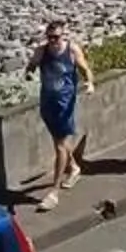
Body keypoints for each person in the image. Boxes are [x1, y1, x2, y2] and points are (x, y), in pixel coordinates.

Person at [26, 17, 92, 207]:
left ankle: (53, 193)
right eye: (50, 37)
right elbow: (31, 65)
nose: (53, 41)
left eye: (56, 37)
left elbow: (85, 69)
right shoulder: (42, 51)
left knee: (60, 146)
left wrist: (89, 83)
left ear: (63, 35)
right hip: (47, 104)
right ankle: (74, 168)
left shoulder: (72, 50)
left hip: (65, 105)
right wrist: (29, 72)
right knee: (58, 141)